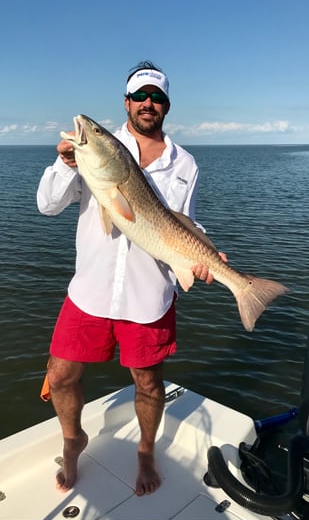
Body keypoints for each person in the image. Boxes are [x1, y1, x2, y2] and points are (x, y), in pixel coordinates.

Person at [37, 60, 226, 496]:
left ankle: (145, 451)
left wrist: (203, 256)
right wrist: (67, 164)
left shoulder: (185, 164)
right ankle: (73, 439)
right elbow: (47, 205)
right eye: (140, 95)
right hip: (89, 290)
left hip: (148, 294)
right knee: (61, 374)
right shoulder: (94, 151)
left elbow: (185, 222)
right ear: (126, 102)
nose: (148, 103)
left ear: (166, 106)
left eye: (156, 97)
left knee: (148, 381)